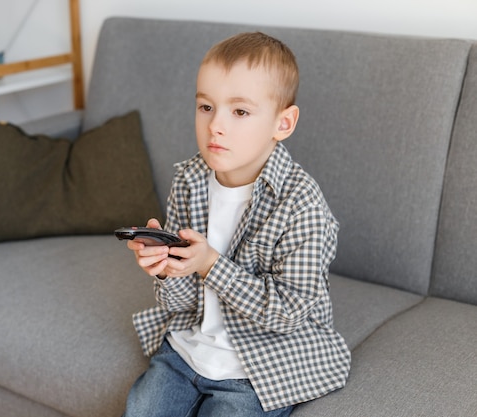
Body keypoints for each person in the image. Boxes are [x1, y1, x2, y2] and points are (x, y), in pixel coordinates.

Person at [122, 31, 351, 417]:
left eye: (239, 111)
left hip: (263, 364)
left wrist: (211, 264)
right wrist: (166, 270)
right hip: (187, 350)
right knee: (142, 409)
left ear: (283, 123)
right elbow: (182, 301)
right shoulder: (189, 180)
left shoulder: (302, 204)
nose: (216, 126)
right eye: (206, 107)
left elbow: (288, 313)